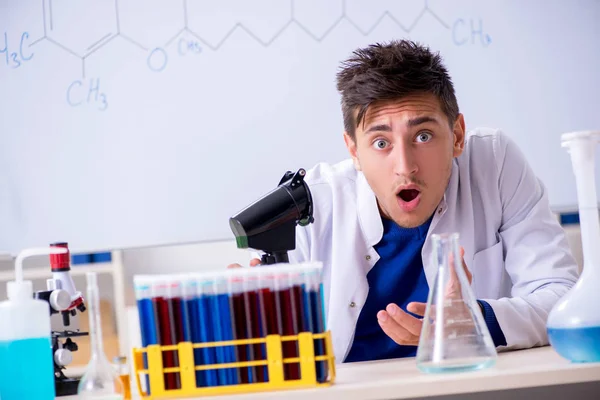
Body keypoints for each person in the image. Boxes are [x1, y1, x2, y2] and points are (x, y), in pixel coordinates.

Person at [230, 40, 579, 363]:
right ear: (354, 150)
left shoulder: (493, 162)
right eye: (381, 143)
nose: (405, 168)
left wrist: (477, 319)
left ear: (457, 135)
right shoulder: (313, 205)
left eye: (423, 136)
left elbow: (560, 299)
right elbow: (274, 348)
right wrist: (252, 318)